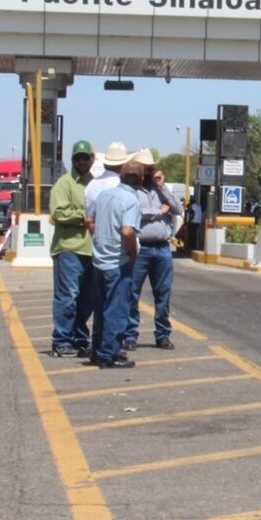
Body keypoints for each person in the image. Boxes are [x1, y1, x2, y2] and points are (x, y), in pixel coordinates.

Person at [125, 152, 183, 351]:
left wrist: (162, 187)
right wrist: (159, 211)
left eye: (151, 168)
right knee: (132, 293)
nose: (148, 172)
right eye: (145, 168)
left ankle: (163, 334)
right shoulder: (132, 191)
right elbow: (135, 212)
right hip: (140, 248)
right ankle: (130, 335)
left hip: (162, 248)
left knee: (163, 294)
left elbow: (178, 209)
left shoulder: (161, 190)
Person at [90, 158, 143, 369]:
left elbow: (88, 220)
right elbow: (128, 231)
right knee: (117, 311)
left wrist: (100, 240)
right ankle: (109, 355)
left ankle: (98, 351)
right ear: (140, 179)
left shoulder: (104, 195)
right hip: (117, 262)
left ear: (121, 176)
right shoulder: (131, 200)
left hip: (99, 261)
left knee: (101, 309)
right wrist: (132, 253)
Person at [48, 140, 95, 358]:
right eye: (78, 158)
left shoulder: (94, 184)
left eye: (86, 158)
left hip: (91, 249)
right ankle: (61, 341)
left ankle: (80, 338)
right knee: (67, 297)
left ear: (92, 160)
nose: (82, 162)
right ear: (73, 160)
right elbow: (58, 212)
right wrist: (83, 216)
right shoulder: (64, 183)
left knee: (87, 300)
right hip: (69, 249)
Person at [84, 141, 129, 234]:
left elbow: (88, 218)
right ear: (124, 165)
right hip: (118, 237)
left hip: (97, 238)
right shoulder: (123, 186)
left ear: (105, 164)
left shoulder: (92, 184)